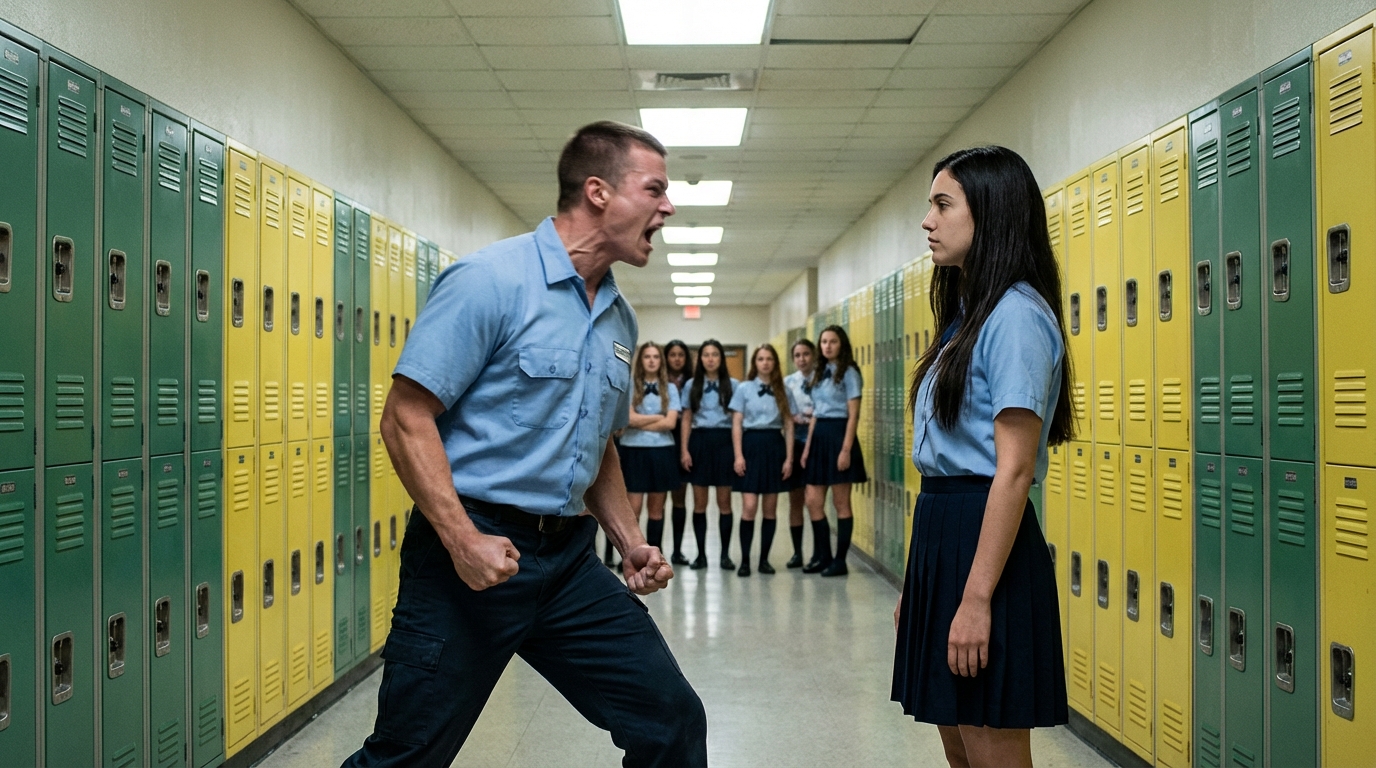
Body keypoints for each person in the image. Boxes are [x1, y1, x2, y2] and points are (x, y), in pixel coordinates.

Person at [343, 121, 707, 768]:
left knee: (671, 721)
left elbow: (598, 445)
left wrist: (629, 542)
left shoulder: (618, 316)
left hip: (568, 562)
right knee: (406, 756)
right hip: (471, 552)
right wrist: (461, 539)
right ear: (598, 191)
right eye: (654, 189)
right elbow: (405, 417)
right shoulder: (490, 281)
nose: (668, 207)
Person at [891, 146, 1072, 768]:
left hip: (984, 540)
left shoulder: (1017, 317)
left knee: (990, 745)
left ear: (990, 214)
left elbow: (1014, 469)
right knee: (960, 743)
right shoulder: (970, 316)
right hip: (946, 533)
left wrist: (974, 599)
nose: (928, 220)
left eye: (943, 205)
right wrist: (922, 582)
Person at [799, 326, 866, 576]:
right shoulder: (818, 372)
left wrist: (846, 450)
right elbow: (816, 412)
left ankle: (840, 560)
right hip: (819, 437)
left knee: (840, 502)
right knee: (813, 500)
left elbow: (853, 414)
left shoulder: (849, 373)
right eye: (824, 342)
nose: (827, 346)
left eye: (833, 341)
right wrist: (807, 448)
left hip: (840, 436)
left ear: (842, 344)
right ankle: (823, 554)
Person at [728, 344, 794, 576]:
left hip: (774, 447)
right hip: (751, 446)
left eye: (769, 359)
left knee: (770, 508)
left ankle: (764, 560)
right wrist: (738, 455)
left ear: (775, 363)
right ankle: (745, 560)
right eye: (760, 359)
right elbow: (736, 423)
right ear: (754, 363)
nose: (765, 363)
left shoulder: (783, 389)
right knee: (749, 507)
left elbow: (788, 423)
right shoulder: (744, 388)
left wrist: (789, 458)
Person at [679, 339, 739, 570]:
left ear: (721, 358)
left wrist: (737, 452)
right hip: (700, 442)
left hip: (724, 442)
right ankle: (701, 554)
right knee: (699, 503)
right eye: (706, 355)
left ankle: (724, 555)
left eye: (715, 354)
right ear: (700, 359)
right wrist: (684, 449)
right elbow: (686, 418)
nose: (711, 358)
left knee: (725, 503)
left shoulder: (733, 384)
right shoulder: (691, 385)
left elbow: (736, 420)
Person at [617, 342, 681, 553]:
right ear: (641, 360)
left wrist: (638, 420)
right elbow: (628, 419)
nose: (652, 360)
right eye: (647, 357)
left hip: (662, 452)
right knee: (633, 509)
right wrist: (656, 417)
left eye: (655, 356)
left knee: (656, 510)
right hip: (634, 451)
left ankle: (655, 553)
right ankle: (632, 552)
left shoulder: (670, 388)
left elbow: (670, 423)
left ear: (661, 361)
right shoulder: (630, 385)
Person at [782, 339, 816, 568]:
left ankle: (818, 553)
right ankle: (797, 552)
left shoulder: (822, 379)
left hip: (816, 443)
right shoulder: (787, 383)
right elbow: (785, 414)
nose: (802, 359)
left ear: (813, 356)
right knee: (795, 501)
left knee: (814, 501)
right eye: (797, 355)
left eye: (806, 354)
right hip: (794, 442)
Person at [663, 339, 694, 566]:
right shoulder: (659, 381)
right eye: (672, 354)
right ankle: (658, 549)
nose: (676, 359)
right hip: (664, 438)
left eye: (681, 355)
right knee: (660, 498)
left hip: (687, 439)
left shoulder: (693, 382)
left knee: (680, 498)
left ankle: (678, 549)